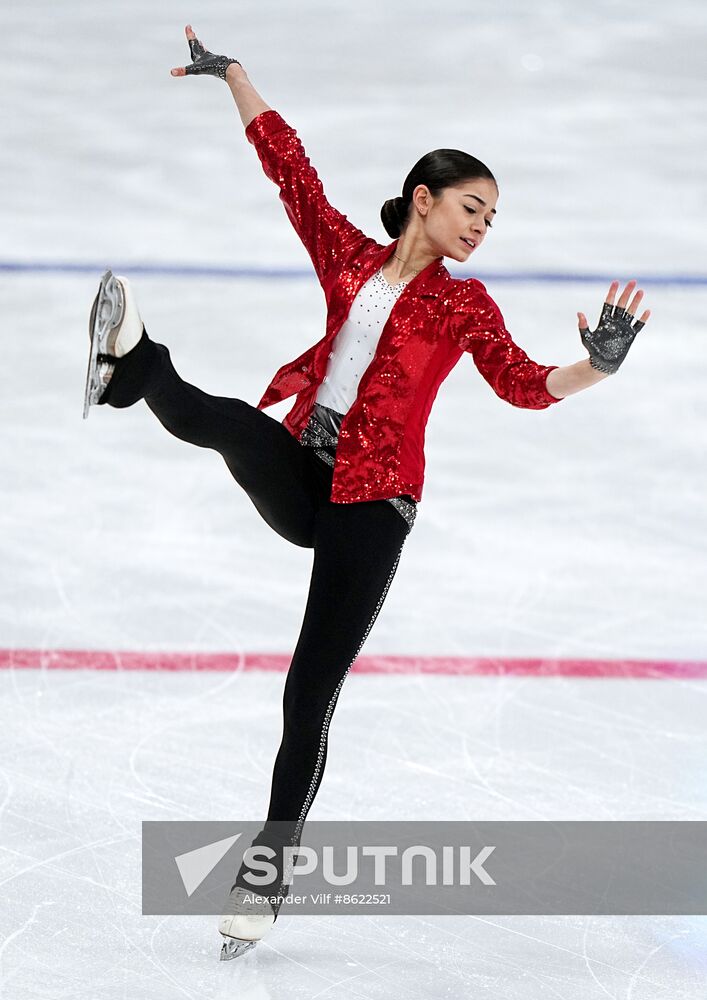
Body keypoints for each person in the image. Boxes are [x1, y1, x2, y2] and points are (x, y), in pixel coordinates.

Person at [84, 26, 651, 960]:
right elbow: (291, 173)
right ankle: (135, 365)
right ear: (421, 202)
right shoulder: (350, 258)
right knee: (228, 419)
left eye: (490, 219)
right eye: (469, 207)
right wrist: (234, 75)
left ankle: (264, 883)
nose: (479, 228)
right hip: (309, 473)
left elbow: (522, 383)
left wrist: (593, 367)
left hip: (372, 510)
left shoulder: (465, 306)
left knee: (308, 693)